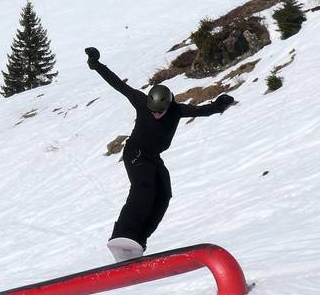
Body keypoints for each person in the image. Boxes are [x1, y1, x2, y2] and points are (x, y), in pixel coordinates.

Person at [85, 47, 235, 256]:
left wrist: (219, 105)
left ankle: (138, 241)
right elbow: (118, 84)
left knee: (164, 194)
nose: (156, 114)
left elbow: (202, 110)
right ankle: (122, 235)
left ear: (168, 105)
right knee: (144, 187)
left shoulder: (177, 110)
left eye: (160, 111)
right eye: (153, 110)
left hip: (153, 157)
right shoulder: (141, 102)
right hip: (135, 153)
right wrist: (95, 64)